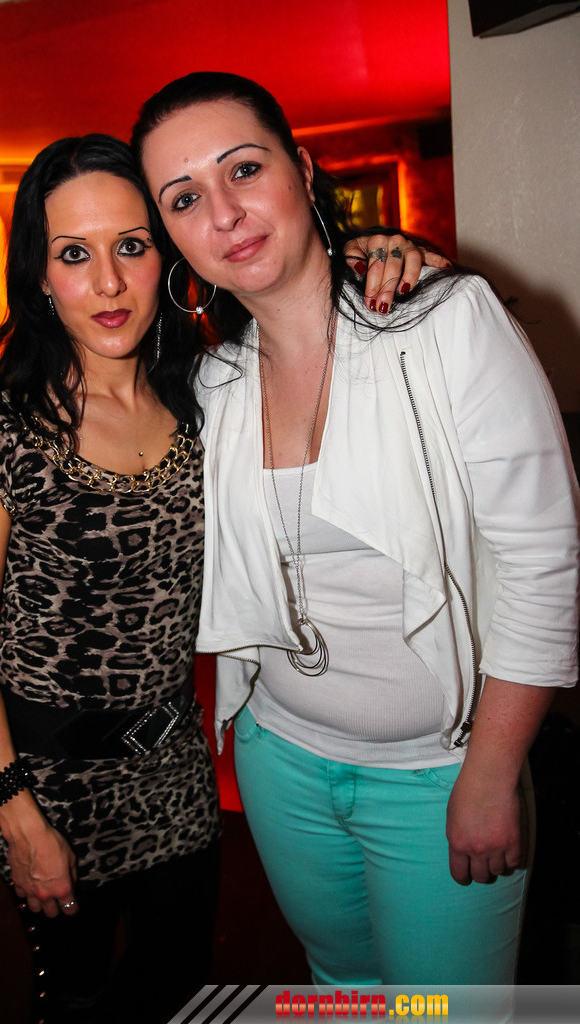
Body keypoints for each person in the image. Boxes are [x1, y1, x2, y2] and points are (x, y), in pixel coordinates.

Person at [131, 72, 579, 992]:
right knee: (341, 988)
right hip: (279, 762)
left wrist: (491, 773)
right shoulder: (212, 385)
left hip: (441, 769)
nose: (223, 213)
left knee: (442, 1011)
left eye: (243, 169)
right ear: (172, 236)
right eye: (183, 198)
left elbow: (543, 562)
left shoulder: (445, 322)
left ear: (300, 170)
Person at [0, 135, 221, 1024]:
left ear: (167, 255)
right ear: (40, 276)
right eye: (73, 254)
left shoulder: (208, 400)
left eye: (131, 245)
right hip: (48, 789)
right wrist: (18, 819)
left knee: (178, 991)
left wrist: (385, 257)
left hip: (177, 774)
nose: (107, 282)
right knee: (79, 1005)